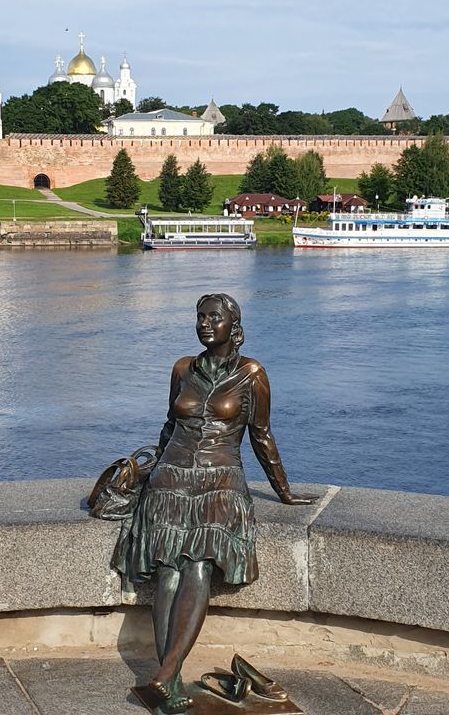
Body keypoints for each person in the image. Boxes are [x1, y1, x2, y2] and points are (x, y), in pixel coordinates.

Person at [125, 293, 316, 714]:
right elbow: (169, 425)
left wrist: (284, 491)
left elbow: (262, 436)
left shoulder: (252, 374)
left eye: (214, 317)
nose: (205, 323)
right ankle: (168, 678)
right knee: (167, 569)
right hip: (170, 479)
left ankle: (165, 674)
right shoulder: (181, 369)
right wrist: (146, 472)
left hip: (221, 480)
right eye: (200, 316)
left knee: (197, 564)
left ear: (234, 325)